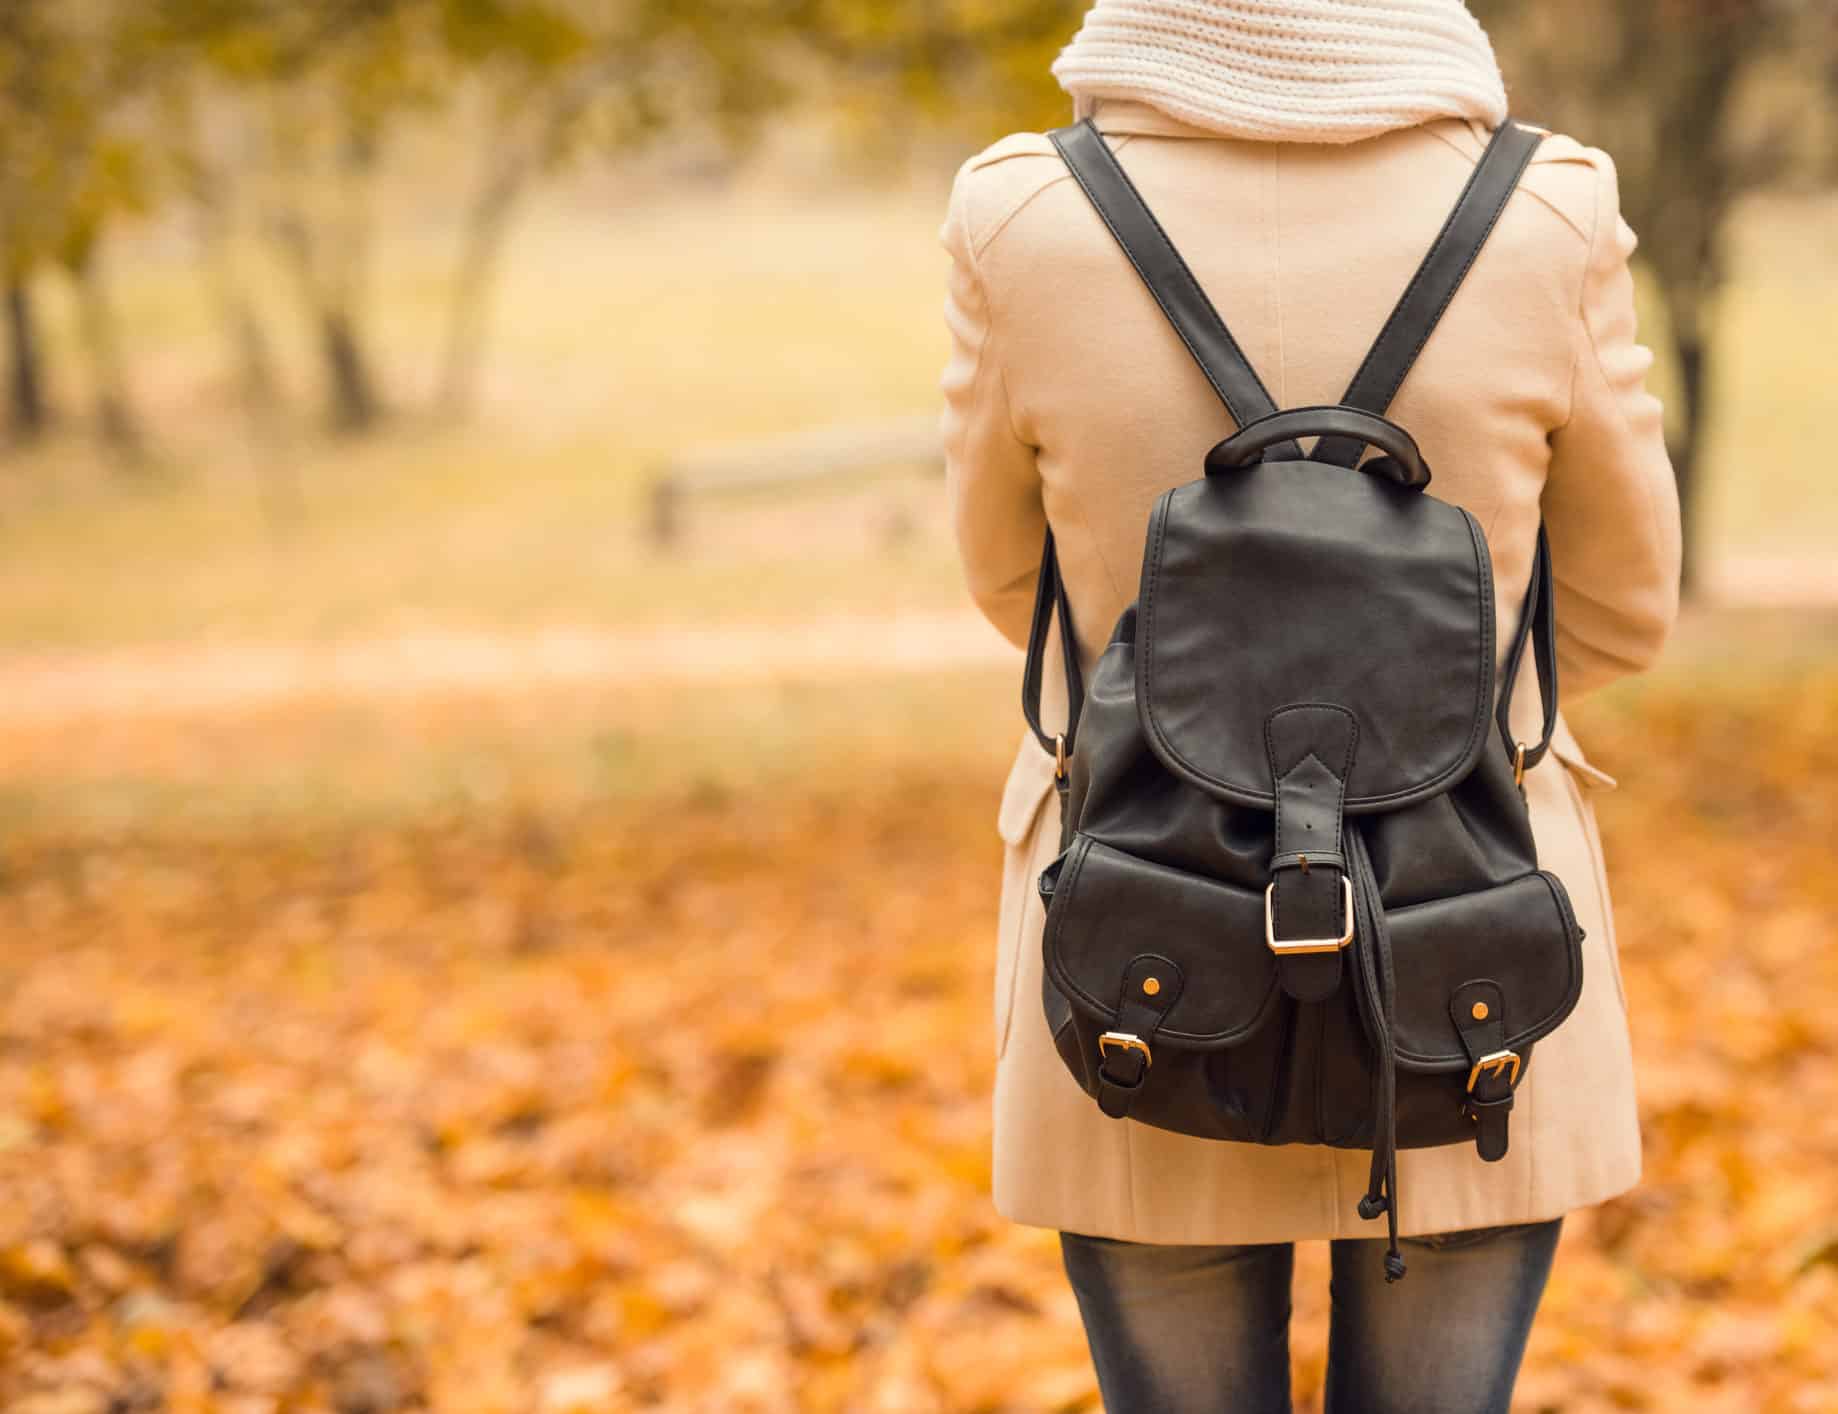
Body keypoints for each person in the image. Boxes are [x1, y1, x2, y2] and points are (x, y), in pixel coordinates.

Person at [937, 2, 1683, 1410]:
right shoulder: (1544, 213)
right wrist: (1411, 703)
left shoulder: (1022, 216)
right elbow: (1621, 613)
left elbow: (1011, 588)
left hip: (1138, 927)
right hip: (1469, 933)